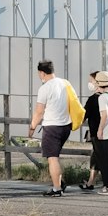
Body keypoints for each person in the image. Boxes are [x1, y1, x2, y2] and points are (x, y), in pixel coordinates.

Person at [28, 58, 71, 196]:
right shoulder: (65, 83)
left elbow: (39, 111)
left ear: (41, 73)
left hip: (52, 126)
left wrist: (33, 126)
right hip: (66, 125)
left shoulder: (44, 88)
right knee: (55, 156)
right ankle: (59, 182)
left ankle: (57, 189)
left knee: (52, 158)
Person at [79, 70, 104, 190]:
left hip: (97, 132)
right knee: (97, 156)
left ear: (97, 82)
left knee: (101, 157)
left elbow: (83, 115)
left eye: (91, 81)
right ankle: (90, 182)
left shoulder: (93, 100)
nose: (89, 83)